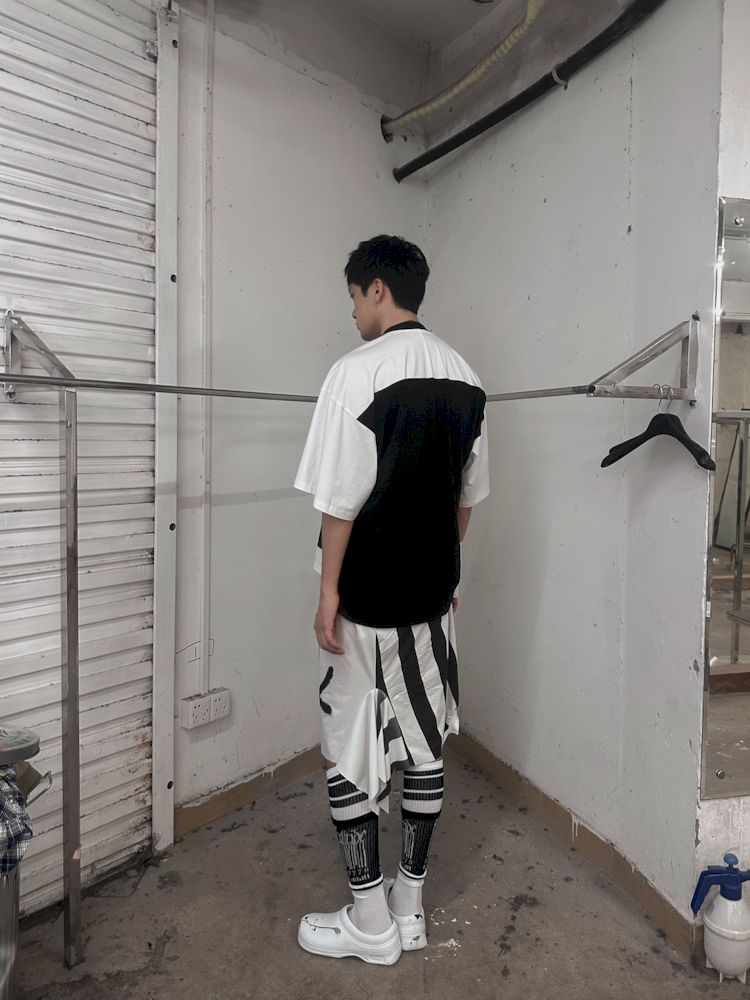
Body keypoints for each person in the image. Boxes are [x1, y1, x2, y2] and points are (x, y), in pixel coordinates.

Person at [294, 234, 490, 965]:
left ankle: (370, 923)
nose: (351, 312)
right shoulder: (467, 378)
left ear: (377, 289)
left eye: (353, 296)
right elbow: (465, 501)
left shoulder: (356, 373)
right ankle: (410, 908)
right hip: (433, 600)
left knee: (349, 752)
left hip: (366, 601)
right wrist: (448, 574)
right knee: (425, 744)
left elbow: (339, 502)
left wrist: (327, 593)